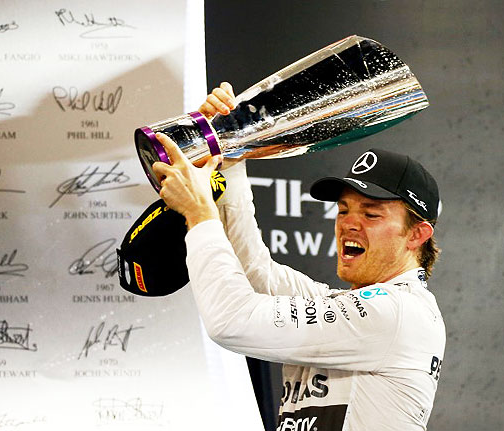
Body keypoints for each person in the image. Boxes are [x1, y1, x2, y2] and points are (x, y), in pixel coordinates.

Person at [152, 83, 446, 431]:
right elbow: (253, 271)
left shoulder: (396, 312)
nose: (349, 224)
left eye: (371, 214)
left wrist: (201, 213)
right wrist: (228, 152)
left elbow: (230, 321)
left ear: (417, 234)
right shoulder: (347, 306)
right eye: (343, 210)